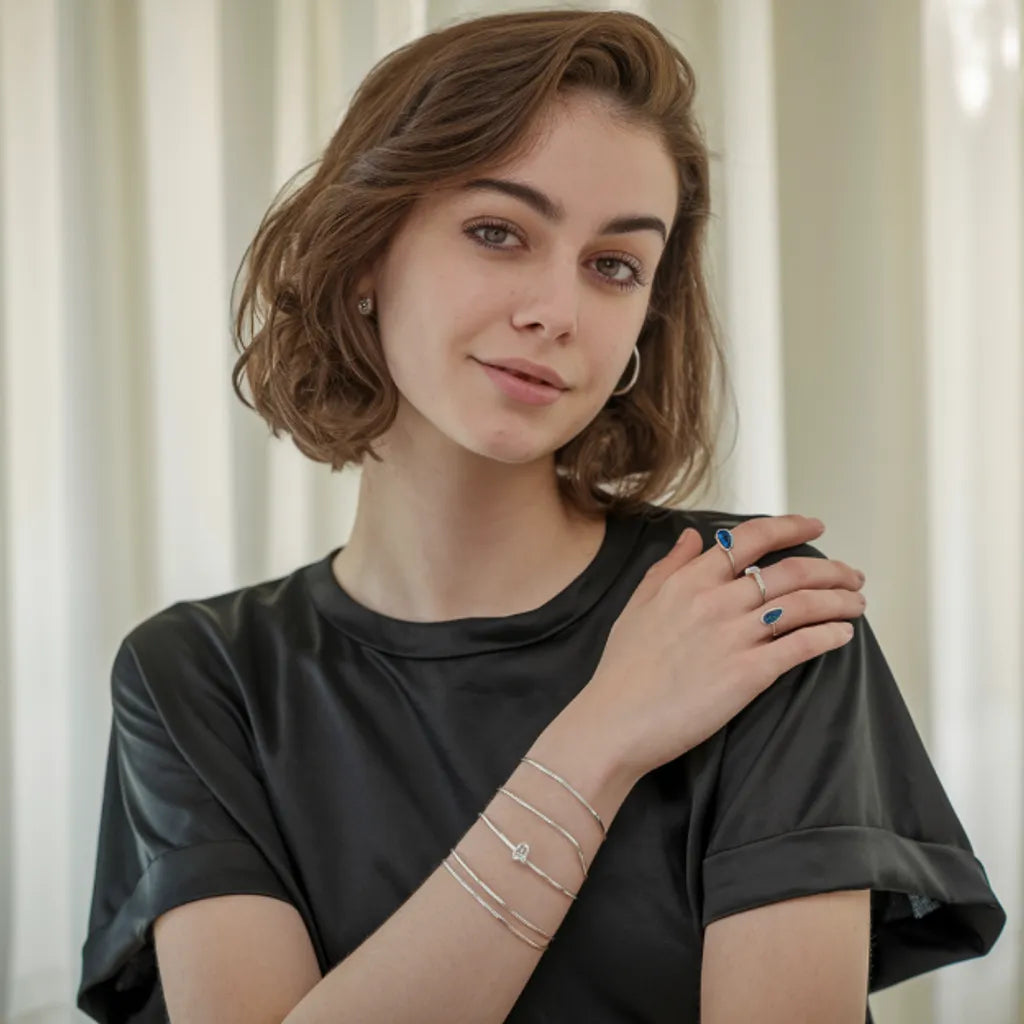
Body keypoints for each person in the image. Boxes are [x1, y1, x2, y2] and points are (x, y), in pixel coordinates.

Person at [76, 8, 1005, 1023]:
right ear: (360, 264)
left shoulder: (749, 607)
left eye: (613, 265)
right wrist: (598, 738)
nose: (556, 310)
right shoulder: (197, 678)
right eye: (497, 232)